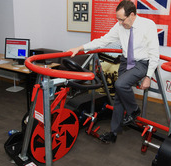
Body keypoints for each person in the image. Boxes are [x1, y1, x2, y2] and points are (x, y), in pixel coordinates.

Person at [68, 0, 159, 143]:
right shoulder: (119, 26)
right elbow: (103, 41)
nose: (120, 23)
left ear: (132, 15)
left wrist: (148, 76)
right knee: (119, 98)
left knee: (120, 85)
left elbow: (154, 53)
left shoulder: (148, 25)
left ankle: (134, 110)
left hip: (142, 63)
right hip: (125, 61)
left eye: (122, 19)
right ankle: (113, 133)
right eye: (118, 19)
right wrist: (80, 47)